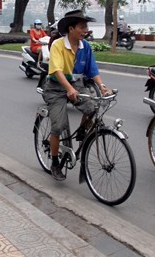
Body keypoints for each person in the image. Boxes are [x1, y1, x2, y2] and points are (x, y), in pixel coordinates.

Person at [42, 10, 112, 181]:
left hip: (77, 85)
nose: (85, 30)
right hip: (56, 87)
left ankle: (81, 132)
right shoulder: (58, 45)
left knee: (93, 108)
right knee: (58, 126)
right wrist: (69, 89)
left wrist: (102, 86)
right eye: (82, 27)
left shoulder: (85, 47)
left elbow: (92, 69)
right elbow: (57, 70)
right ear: (71, 28)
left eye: (86, 27)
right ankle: (55, 162)